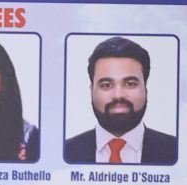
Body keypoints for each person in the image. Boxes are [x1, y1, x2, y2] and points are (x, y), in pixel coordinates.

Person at [64, 37, 177, 165]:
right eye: (106, 85)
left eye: (130, 84)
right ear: (91, 91)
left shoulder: (176, 150)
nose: (118, 95)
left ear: (145, 88)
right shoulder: (65, 150)